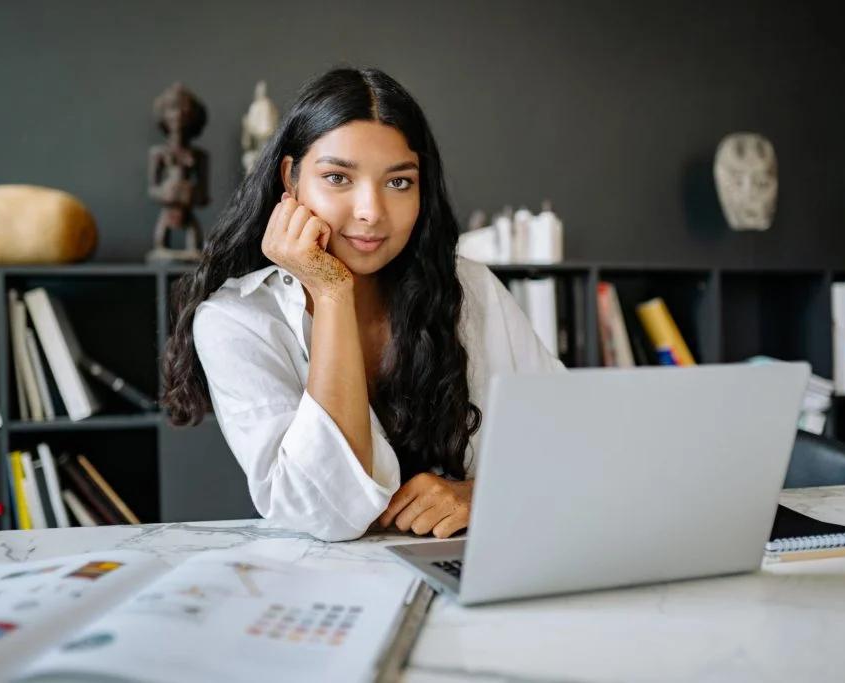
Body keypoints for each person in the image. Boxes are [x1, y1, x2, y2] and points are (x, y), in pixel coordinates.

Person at [161, 67, 564, 543]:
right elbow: (330, 514)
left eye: (398, 183)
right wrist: (332, 293)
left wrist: (480, 494)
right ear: (291, 179)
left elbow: (570, 443)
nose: (371, 211)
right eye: (338, 177)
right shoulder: (237, 320)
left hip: (474, 569)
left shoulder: (470, 288)